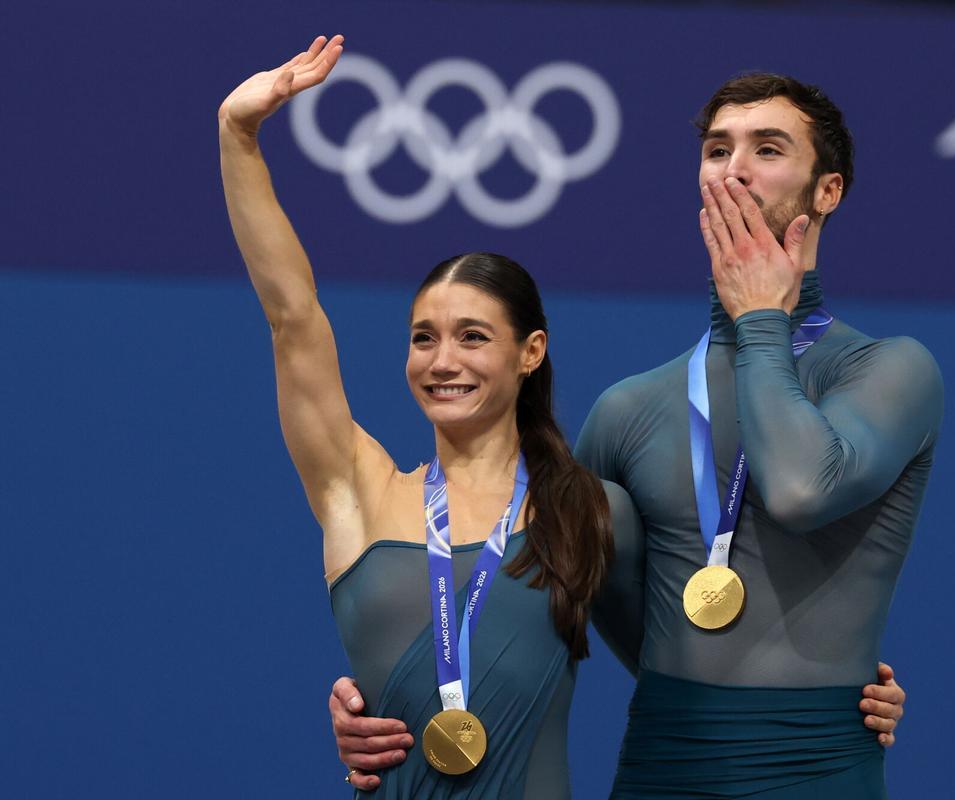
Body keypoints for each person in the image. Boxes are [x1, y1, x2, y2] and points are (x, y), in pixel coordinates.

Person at [333, 73, 931, 797]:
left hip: (818, 768)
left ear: (827, 191)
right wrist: (381, 703)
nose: (734, 168)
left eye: (766, 149)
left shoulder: (889, 371)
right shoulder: (630, 410)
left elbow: (802, 489)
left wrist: (760, 320)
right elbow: (531, 607)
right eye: (717, 150)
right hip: (661, 769)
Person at [220, 35, 645, 799]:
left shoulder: (590, 510)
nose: (441, 361)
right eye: (424, 338)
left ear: (530, 352)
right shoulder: (357, 491)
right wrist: (239, 137)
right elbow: (293, 316)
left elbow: (690, 668)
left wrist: (851, 694)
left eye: (472, 337)